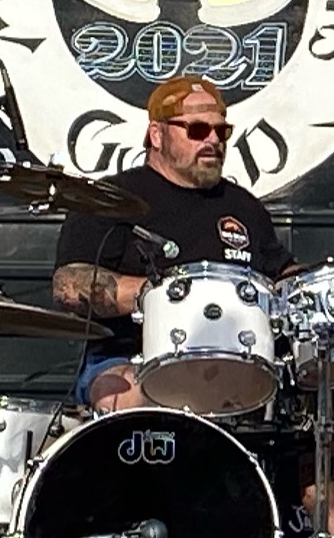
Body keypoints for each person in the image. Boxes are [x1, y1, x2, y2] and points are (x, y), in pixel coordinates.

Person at [50, 74, 289, 409]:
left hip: (238, 358)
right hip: (129, 356)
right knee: (125, 396)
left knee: (318, 396)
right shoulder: (108, 198)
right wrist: (164, 296)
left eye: (221, 131)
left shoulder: (245, 207)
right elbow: (68, 285)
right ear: (157, 135)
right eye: (197, 130)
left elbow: (285, 275)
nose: (212, 140)